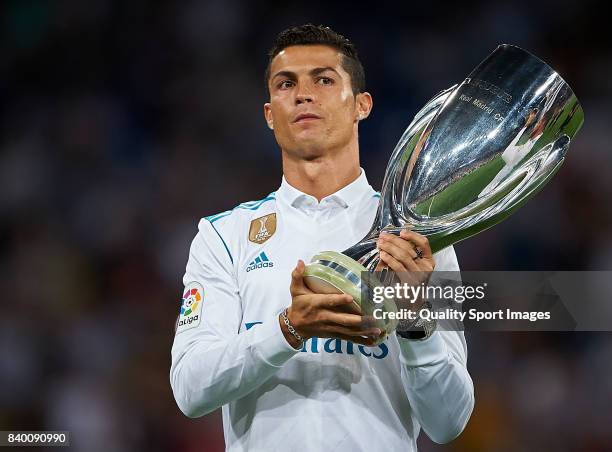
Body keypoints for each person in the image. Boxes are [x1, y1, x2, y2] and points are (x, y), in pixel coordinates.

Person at [170, 24, 474, 451]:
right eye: (286, 83)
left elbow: (449, 422)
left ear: (362, 106)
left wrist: (413, 320)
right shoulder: (224, 236)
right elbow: (190, 389)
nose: (303, 94)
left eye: (324, 80)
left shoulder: (415, 241)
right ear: (270, 113)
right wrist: (290, 329)